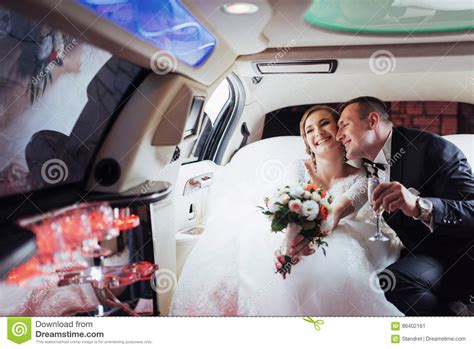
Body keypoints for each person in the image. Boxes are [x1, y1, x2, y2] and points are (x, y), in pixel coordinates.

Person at [171, 105, 402, 316]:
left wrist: (304, 243)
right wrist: (287, 244)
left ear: (340, 131)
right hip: (292, 230)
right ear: (306, 142)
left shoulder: (362, 178)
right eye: (309, 130)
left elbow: (336, 213)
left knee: (330, 256)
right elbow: (293, 206)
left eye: (324, 124)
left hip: (338, 230)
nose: (317, 133)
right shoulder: (298, 167)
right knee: (253, 240)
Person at [335, 96, 474, 315]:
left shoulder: (432, 147)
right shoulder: (368, 168)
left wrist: (420, 206)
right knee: (389, 281)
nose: (338, 135)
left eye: (344, 125)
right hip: (424, 256)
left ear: (372, 121)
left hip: (461, 257)